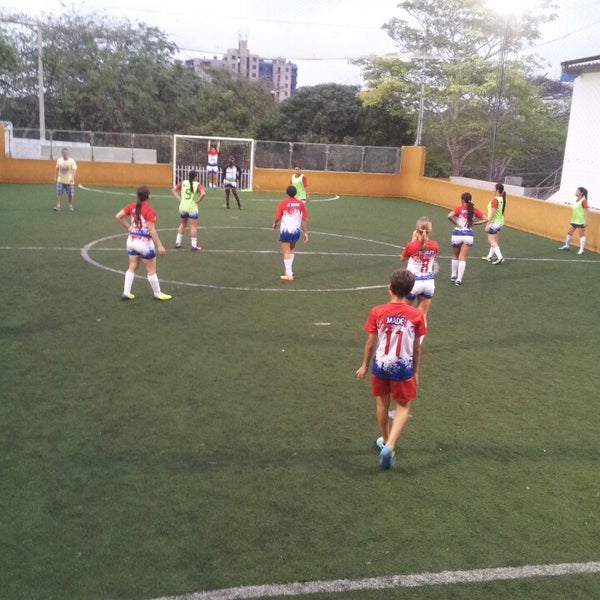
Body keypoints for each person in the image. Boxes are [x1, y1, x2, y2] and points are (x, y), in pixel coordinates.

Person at [355, 268, 426, 470]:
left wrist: (364, 365)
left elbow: (370, 343)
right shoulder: (416, 315)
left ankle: (385, 440)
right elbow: (417, 347)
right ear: (410, 291)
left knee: (382, 403)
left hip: (381, 364)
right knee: (403, 406)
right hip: (402, 367)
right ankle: (390, 445)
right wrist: (415, 370)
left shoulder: (377, 311)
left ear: (390, 288)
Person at [114, 185, 172, 301]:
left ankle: (126, 292)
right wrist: (160, 245)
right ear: (149, 196)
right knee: (151, 270)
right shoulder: (149, 211)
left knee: (132, 266)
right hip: (145, 244)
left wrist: (129, 227)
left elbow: (118, 216)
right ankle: (157, 293)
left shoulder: (132, 206)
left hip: (132, 240)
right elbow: (151, 229)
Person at [400, 216, 439, 344]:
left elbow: (402, 258)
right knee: (422, 314)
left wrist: (413, 240)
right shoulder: (435, 245)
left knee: (402, 312)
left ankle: (402, 341)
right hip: (428, 282)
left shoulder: (411, 245)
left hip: (413, 282)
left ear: (416, 230)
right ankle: (417, 344)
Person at [447, 192, 487, 286]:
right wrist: (476, 224)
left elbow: (449, 216)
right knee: (462, 257)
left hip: (457, 233)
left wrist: (456, 224)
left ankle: (453, 275)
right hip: (468, 235)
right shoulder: (474, 210)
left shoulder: (458, 209)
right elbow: (486, 219)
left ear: (462, 200)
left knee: (455, 255)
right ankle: (459, 280)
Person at [272, 185, 308, 281]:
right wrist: (305, 233)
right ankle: (289, 271)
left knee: (286, 252)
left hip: (286, 231)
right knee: (292, 250)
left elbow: (278, 217)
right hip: (296, 231)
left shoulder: (283, 203)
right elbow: (304, 219)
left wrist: (275, 224)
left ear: (287, 193)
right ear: (296, 193)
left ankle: (289, 275)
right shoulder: (300, 203)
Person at [171, 170, 206, 251]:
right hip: (192, 208)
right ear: (195, 177)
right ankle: (194, 246)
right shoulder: (197, 184)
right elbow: (203, 193)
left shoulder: (183, 183)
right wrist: (198, 201)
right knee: (193, 226)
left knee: (182, 224)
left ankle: (178, 242)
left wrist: (180, 199)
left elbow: (173, 190)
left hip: (183, 207)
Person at [559, 186, 589, 255]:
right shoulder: (577, 200)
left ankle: (581, 250)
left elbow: (587, 211)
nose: (576, 192)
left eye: (577, 191)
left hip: (581, 221)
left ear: (581, 193)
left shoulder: (584, 201)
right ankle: (567, 246)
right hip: (574, 220)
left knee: (582, 235)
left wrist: (586, 221)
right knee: (569, 232)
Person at [482, 182, 507, 265]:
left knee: (491, 241)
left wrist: (487, 224)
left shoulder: (495, 200)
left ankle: (500, 257)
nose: (493, 190)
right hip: (500, 222)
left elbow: (492, 213)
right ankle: (489, 256)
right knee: (495, 240)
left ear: (497, 190)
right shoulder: (501, 199)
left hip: (494, 223)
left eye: (494, 188)